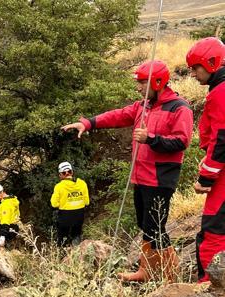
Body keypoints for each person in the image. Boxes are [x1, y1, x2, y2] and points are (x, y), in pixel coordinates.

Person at [62, 60, 194, 282]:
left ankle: (170, 276)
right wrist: (88, 123)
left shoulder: (179, 107)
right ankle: (147, 271)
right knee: (146, 225)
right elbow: (118, 115)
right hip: (141, 177)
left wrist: (151, 138)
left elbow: (182, 141)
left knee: (155, 227)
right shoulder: (143, 106)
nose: (139, 88)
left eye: (143, 83)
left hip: (160, 179)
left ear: (158, 82)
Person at [187, 37, 225, 283]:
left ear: (211, 63)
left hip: (222, 178)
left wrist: (206, 177)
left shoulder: (220, 93)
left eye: (195, 67)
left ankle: (207, 289)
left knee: (213, 232)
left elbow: (222, 138)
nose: (192, 73)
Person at [51, 162, 90, 247]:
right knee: (76, 235)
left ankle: (61, 256)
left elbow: (54, 204)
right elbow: (87, 202)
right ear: (72, 172)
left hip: (65, 216)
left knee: (62, 238)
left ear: (61, 175)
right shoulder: (82, 183)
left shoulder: (59, 186)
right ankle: (77, 255)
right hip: (79, 215)